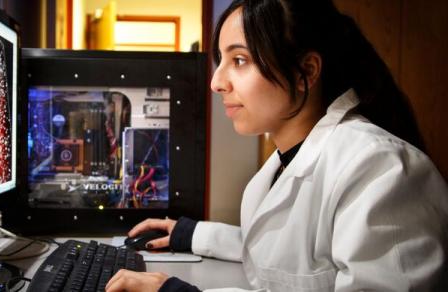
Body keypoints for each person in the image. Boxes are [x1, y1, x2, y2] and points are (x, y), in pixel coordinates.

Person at [105, 0, 448, 291]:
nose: (216, 82)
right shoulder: (280, 167)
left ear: (306, 71)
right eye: (220, 61)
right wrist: (192, 234)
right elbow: (288, 253)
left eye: (239, 60)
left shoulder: (380, 168)